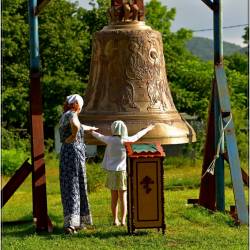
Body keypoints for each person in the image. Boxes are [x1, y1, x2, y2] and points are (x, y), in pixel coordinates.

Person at [91, 120, 155, 226]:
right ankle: (123, 220)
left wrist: (91, 131)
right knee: (123, 198)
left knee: (114, 198)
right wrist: (148, 129)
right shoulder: (126, 140)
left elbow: (99, 136)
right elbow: (138, 135)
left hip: (112, 172)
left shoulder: (110, 140)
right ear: (124, 129)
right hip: (122, 172)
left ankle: (115, 220)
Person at [59, 94, 98, 234]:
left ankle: (77, 222)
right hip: (74, 153)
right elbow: (75, 125)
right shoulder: (72, 114)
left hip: (67, 153)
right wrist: (74, 136)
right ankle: (71, 225)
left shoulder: (66, 114)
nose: (81, 108)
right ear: (77, 104)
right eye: (81, 105)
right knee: (75, 186)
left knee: (71, 185)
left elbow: (79, 125)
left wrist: (90, 128)